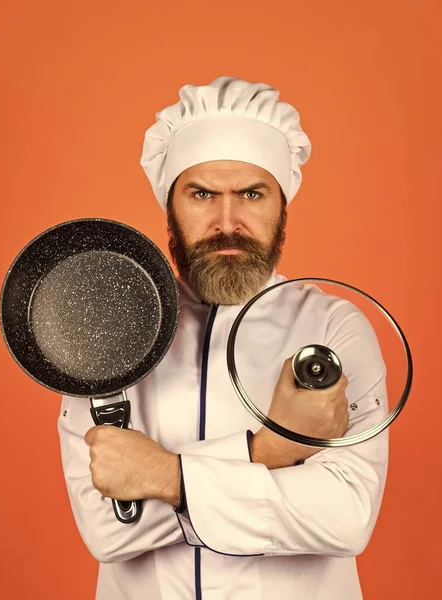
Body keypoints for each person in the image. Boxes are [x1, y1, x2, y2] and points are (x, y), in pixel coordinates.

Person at [58, 76, 389, 600]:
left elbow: (345, 518)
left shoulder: (334, 328)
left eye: (252, 194)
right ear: (171, 205)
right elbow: (107, 532)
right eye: (202, 194)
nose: (227, 222)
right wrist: (270, 450)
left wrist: (167, 477)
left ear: (283, 205)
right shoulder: (105, 328)